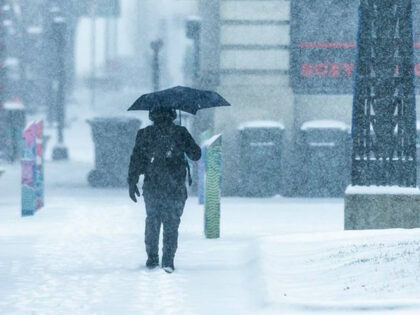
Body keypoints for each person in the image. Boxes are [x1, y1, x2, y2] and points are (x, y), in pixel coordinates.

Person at [127, 107, 201, 273]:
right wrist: (183, 141)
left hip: (152, 185)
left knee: (152, 220)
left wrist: (132, 182)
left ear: (152, 116)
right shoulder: (180, 132)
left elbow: (136, 160)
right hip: (175, 187)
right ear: (173, 115)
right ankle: (168, 260)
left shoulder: (144, 134)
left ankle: (152, 258)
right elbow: (196, 155)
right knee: (172, 223)